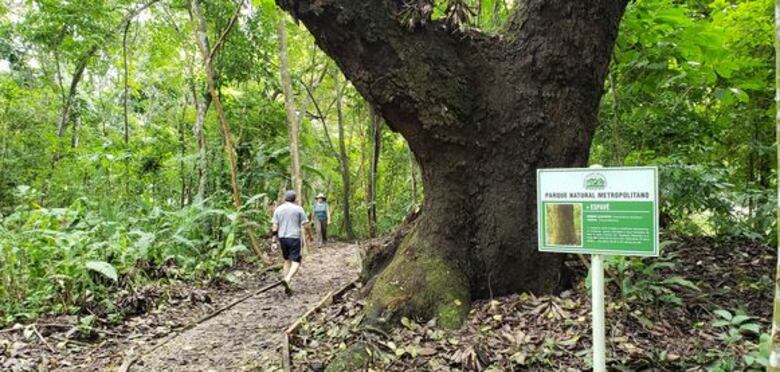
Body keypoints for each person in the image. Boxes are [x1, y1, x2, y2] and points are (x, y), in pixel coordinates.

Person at [271, 190, 312, 295]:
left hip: (282, 238)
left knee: (287, 260)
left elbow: (275, 226)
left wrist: (274, 240)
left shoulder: (278, 209)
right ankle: (288, 278)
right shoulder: (298, 209)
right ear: (295, 199)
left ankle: (287, 282)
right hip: (294, 237)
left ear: (285, 198)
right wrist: (310, 236)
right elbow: (306, 225)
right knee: (296, 261)